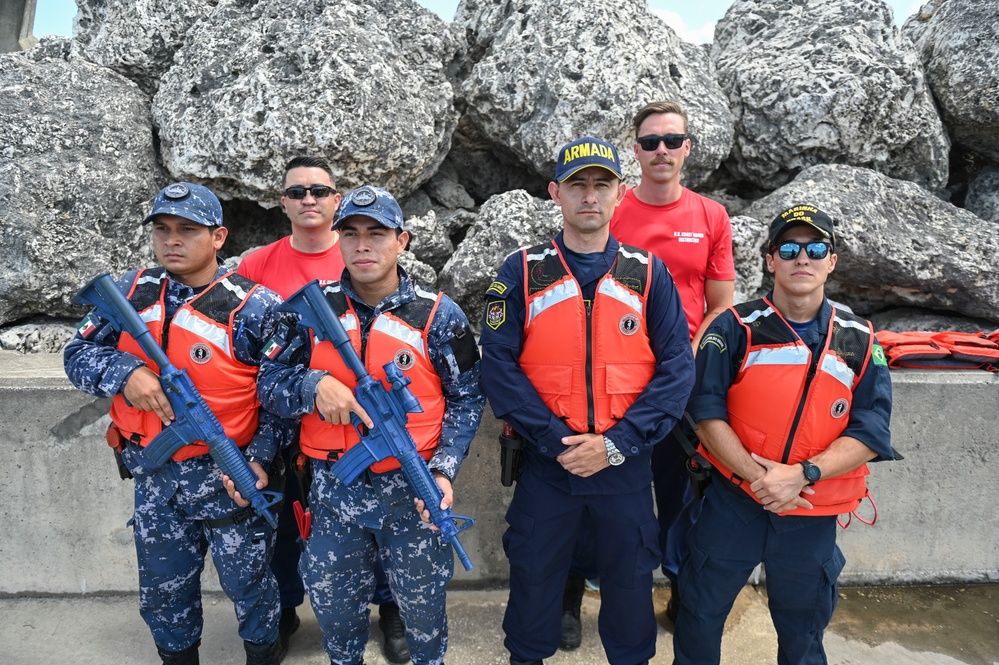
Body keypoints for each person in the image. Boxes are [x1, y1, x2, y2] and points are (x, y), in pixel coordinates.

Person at [480, 136, 695, 665]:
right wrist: (555, 441)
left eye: (602, 184)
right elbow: (498, 367)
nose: (590, 196)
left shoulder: (648, 273)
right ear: (556, 192)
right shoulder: (521, 272)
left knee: (628, 591)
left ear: (620, 193)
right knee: (533, 581)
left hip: (624, 469)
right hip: (548, 467)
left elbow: (677, 369)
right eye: (578, 184)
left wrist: (617, 444)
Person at [254, 185, 484, 665]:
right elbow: (268, 383)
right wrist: (313, 385)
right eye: (351, 234)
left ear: (401, 241)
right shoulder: (308, 311)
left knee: (423, 617)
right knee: (336, 615)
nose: (363, 245)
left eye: (376, 234)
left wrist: (442, 471)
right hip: (333, 493)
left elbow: (466, 399)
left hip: (414, 494)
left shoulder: (439, 316)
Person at [63, 182, 285, 665]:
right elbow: (77, 354)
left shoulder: (255, 306)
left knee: (251, 587)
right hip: (154, 477)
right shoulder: (129, 291)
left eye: (188, 230)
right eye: (162, 230)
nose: (172, 240)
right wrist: (125, 373)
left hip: (231, 478)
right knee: (164, 593)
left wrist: (260, 461)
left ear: (219, 236)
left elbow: (277, 399)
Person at [672, 204, 895, 665]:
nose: (802, 258)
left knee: (804, 635)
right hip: (733, 504)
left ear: (832, 260)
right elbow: (705, 411)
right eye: (789, 248)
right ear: (770, 259)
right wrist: (762, 478)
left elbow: (872, 428)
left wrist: (802, 475)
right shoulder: (734, 328)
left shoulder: (859, 339)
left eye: (816, 248)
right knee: (698, 617)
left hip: (810, 510)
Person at [560, 101, 736, 646]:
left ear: (687, 148)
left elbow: (721, 304)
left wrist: (683, 358)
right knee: (590, 485)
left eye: (672, 140)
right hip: (612, 381)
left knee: (684, 489)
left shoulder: (711, 217)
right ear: (635, 150)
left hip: (679, 381)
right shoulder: (611, 208)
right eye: (650, 141)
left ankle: (679, 586)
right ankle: (571, 589)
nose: (662, 150)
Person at [237, 157, 412, 663]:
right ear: (283, 202)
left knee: (376, 519)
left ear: (336, 199)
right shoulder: (256, 265)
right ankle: (287, 609)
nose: (308, 199)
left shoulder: (366, 254)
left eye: (319, 190)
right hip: (279, 418)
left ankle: (391, 609)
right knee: (285, 526)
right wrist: (308, 385)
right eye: (297, 192)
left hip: (350, 425)